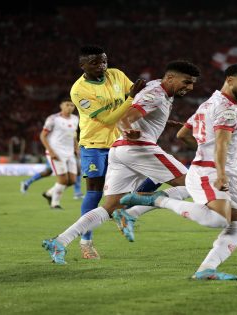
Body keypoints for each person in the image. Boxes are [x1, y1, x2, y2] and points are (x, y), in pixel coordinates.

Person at [42, 60, 201, 265]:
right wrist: (128, 128)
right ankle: (132, 214)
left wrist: (159, 121)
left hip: (120, 150)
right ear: (170, 78)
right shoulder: (157, 94)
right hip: (138, 147)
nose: (190, 87)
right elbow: (126, 117)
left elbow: (138, 108)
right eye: (186, 82)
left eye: (192, 83)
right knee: (193, 184)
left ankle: (60, 241)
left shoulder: (156, 87)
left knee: (109, 207)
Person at [119, 64, 237, 280]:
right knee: (219, 220)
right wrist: (218, 170)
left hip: (227, 170)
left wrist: (205, 149)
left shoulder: (209, 104)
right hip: (211, 171)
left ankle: (206, 270)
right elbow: (221, 143)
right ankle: (158, 200)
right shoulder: (227, 109)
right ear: (230, 80)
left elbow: (183, 134)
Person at [68, 45, 136, 259]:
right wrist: (131, 98)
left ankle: (120, 214)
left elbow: (138, 97)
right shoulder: (79, 90)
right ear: (83, 66)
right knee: (95, 192)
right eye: (95, 62)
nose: (102, 66)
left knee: (130, 185)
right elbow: (107, 118)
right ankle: (86, 243)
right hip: (94, 145)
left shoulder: (116, 75)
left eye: (104, 60)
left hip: (119, 143)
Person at [36, 99, 80, 209]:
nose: (70, 107)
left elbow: (73, 135)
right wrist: (50, 151)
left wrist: (76, 147)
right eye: (67, 105)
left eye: (72, 105)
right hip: (56, 152)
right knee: (63, 180)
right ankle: (55, 204)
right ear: (61, 106)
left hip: (69, 153)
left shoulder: (75, 119)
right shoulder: (53, 119)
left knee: (72, 180)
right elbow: (43, 135)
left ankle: (49, 193)